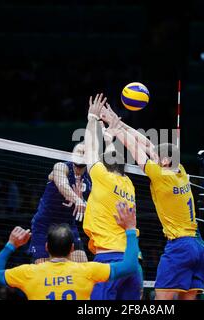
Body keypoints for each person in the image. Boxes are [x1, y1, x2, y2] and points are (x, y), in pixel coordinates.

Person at [100, 105, 204, 300]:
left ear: (165, 161)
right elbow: (148, 145)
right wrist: (118, 121)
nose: (154, 159)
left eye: (158, 158)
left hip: (180, 246)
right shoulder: (180, 171)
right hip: (198, 246)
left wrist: (115, 129)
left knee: (161, 301)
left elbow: (135, 148)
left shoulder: (160, 176)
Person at [0, 201, 139, 300]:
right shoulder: (88, 270)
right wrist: (130, 229)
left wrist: (11, 245)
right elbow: (131, 266)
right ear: (72, 249)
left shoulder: (29, 273)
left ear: (46, 247)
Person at [82, 93, 142, 300]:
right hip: (133, 261)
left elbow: (90, 150)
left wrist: (92, 119)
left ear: (104, 165)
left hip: (109, 259)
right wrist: (109, 138)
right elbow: (111, 159)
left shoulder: (102, 177)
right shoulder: (128, 184)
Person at [29, 143, 91, 263]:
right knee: (43, 271)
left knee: (82, 266)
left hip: (68, 226)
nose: (81, 154)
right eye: (78, 151)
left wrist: (84, 201)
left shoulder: (91, 177)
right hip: (45, 225)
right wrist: (76, 199)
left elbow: (94, 204)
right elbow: (62, 184)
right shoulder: (61, 167)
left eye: (85, 152)